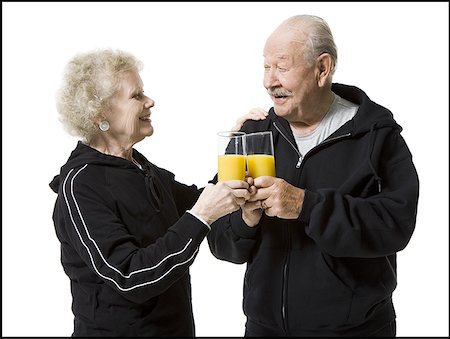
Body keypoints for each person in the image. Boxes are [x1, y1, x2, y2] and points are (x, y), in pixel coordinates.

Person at [207, 14, 419, 337]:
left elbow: (396, 225)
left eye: (281, 66)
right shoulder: (252, 135)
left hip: (357, 331)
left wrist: (306, 206)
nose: (269, 80)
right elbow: (219, 239)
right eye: (266, 67)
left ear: (322, 69)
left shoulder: (376, 136)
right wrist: (246, 220)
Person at [49, 48, 256, 337]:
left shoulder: (143, 170)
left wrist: (236, 146)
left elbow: (206, 201)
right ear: (100, 114)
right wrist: (202, 215)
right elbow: (130, 276)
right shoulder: (81, 186)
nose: (150, 101)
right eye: (136, 96)